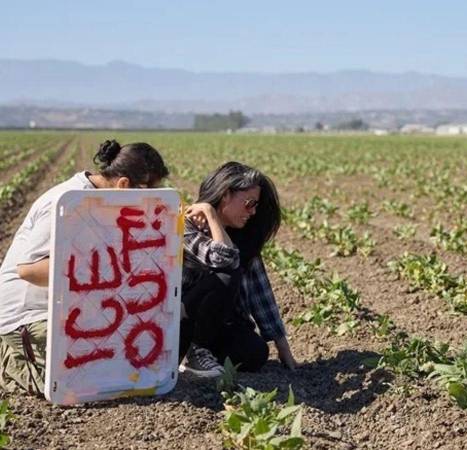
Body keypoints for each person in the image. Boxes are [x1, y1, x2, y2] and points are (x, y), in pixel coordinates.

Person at [0, 140, 169, 395]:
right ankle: (10, 361)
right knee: (88, 382)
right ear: (124, 185)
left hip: (68, 306)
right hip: (27, 313)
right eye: (148, 192)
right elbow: (29, 270)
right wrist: (95, 269)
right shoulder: (65, 203)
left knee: (129, 357)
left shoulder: (108, 201)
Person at [179, 161, 296, 378]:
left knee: (255, 353)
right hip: (182, 321)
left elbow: (260, 293)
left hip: (218, 323)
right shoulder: (187, 224)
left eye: (256, 206)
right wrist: (211, 215)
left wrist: (283, 348)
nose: (252, 212)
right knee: (228, 273)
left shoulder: (243, 236)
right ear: (226, 195)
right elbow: (224, 261)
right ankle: (192, 353)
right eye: (249, 203)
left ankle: (203, 356)